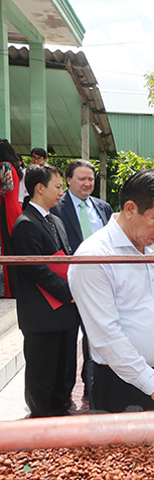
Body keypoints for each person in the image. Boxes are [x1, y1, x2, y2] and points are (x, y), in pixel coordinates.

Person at [68, 169, 154, 413]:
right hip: (124, 385)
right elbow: (106, 337)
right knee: (125, 452)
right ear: (131, 209)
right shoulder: (93, 257)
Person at [11, 164, 79, 417]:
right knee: (42, 370)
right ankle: (41, 418)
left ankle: (61, 409)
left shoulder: (56, 220)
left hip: (64, 310)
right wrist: (69, 291)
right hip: (41, 312)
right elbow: (36, 269)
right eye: (58, 186)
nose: (62, 191)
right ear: (40, 188)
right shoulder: (25, 223)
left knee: (64, 367)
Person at [51, 159, 114, 406]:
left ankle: (93, 384)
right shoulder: (56, 207)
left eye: (90, 179)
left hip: (100, 283)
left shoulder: (103, 207)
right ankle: (65, 393)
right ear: (68, 180)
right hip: (68, 284)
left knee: (98, 335)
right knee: (68, 340)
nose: (87, 183)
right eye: (81, 179)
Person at [0, 139, 23, 297]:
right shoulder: (13, 166)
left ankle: (8, 289)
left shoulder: (4, 164)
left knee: (6, 248)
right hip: (13, 208)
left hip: (5, 208)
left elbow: (7, 186)